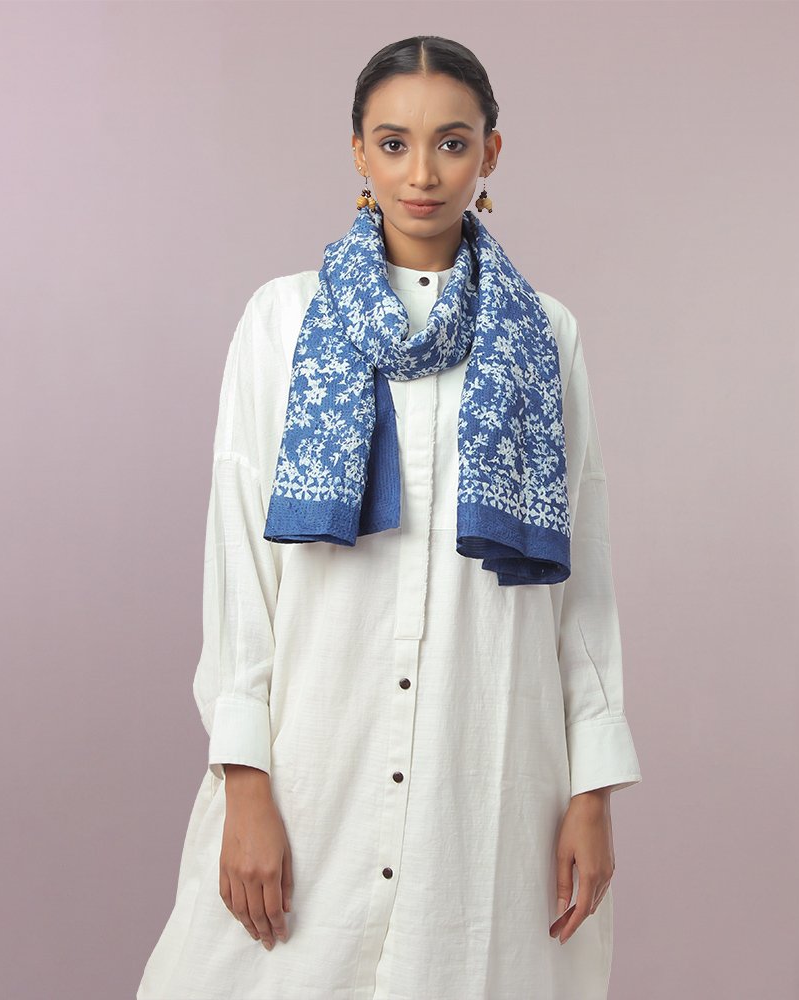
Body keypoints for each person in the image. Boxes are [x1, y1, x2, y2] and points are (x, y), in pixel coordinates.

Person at [137, 34, 642, 1000]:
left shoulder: (546, 335)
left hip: (486, 774)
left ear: (490, 154)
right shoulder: (283, 321)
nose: (423, 174)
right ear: (359, 153)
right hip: (315, 764)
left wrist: (593, 788)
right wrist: (244, 778)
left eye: (452, 143)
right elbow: (241, 557)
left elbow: (582, 574)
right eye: (395, 143)